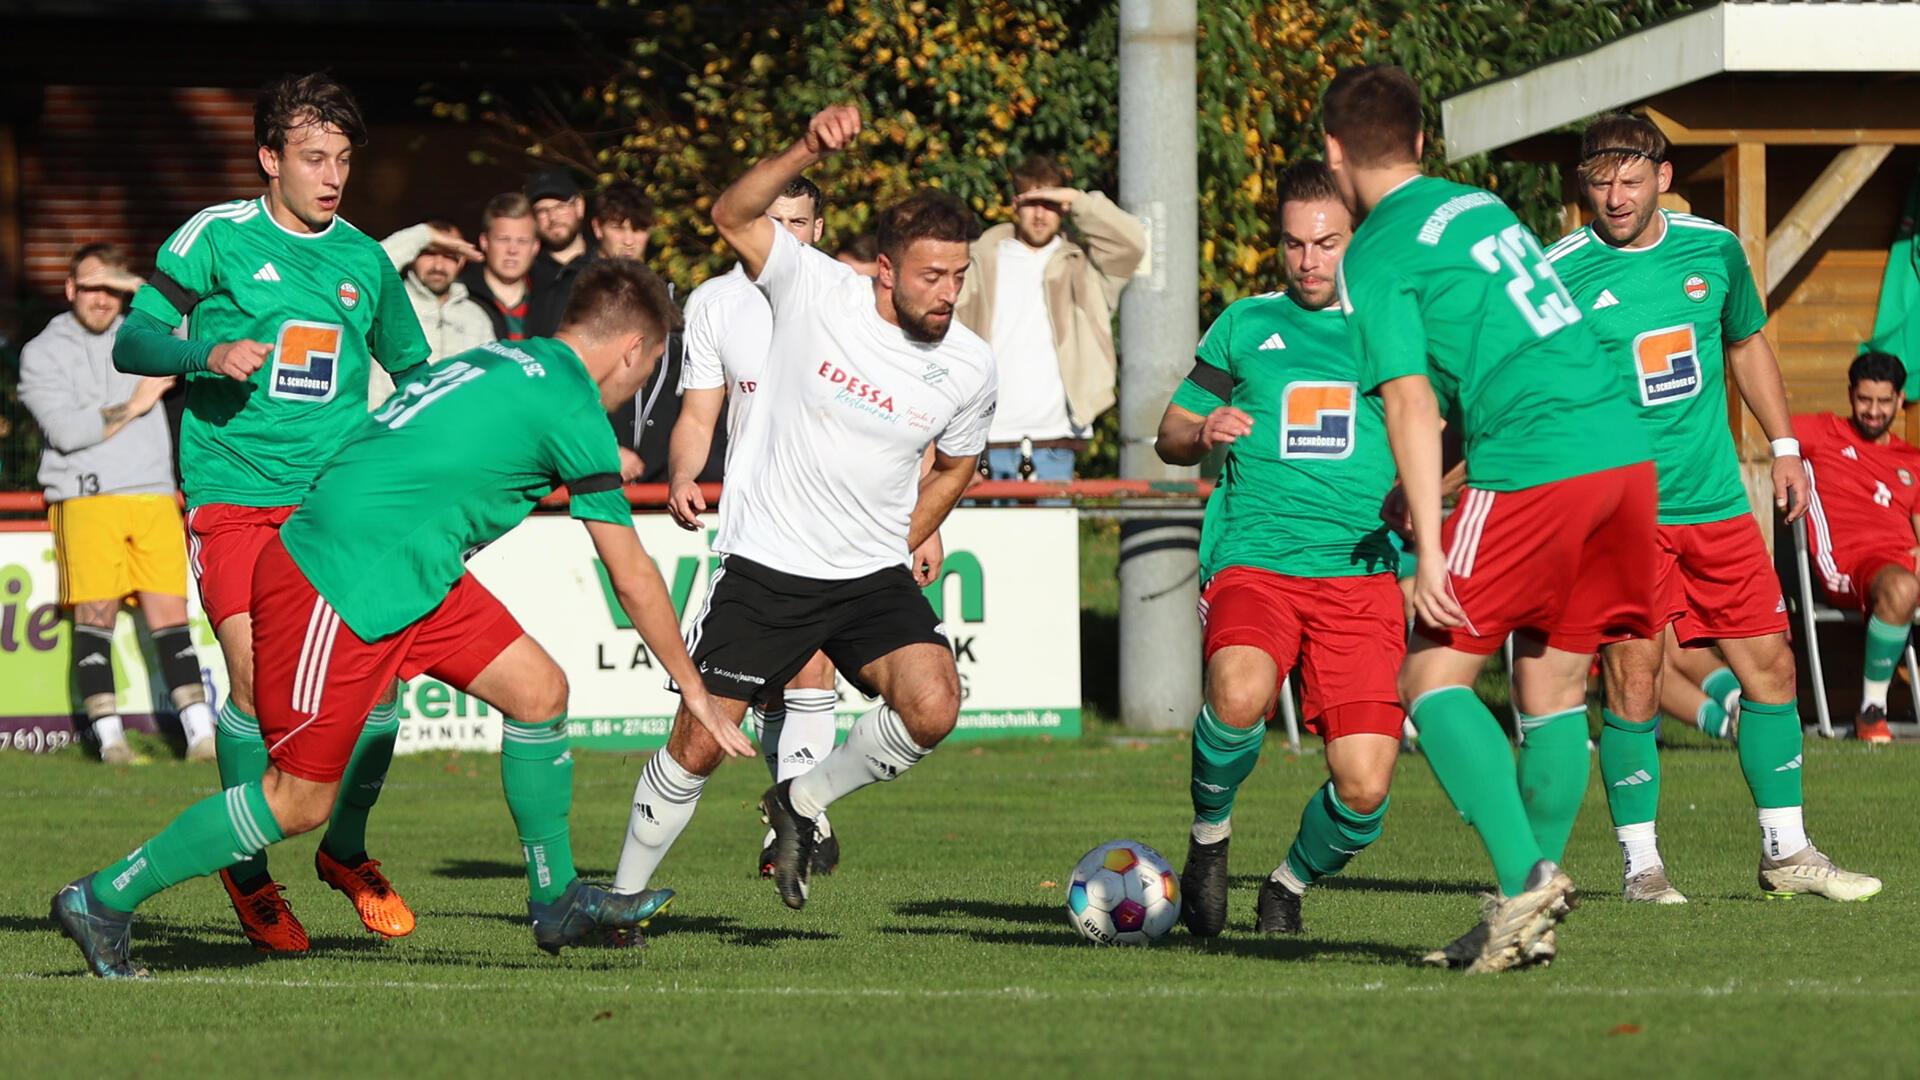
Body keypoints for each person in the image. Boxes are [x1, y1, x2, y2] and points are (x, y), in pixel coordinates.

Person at [52, 259, 741, 979]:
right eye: (653, 362)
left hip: (413, 568)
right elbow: (630, 574)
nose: (641, 380)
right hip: (341, 576)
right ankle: (103, 898)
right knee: (297, 802)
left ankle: (556, 897)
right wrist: (694, 690)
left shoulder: (506, 357)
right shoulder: (570, 401)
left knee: (539, 691)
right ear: (633, 348)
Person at [612, 104, 994, 914]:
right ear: (885, 269)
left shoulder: (969, 365)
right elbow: (730, 214)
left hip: (868, 577)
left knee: (934, 705)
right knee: (698, 742)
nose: (947, 293)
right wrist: (804, 148)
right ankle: (618, 899)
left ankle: (801, 800)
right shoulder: (815, 286)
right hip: (768, 565)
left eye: (960, 276)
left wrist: (905, 539)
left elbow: (958, 465)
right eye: (932, 276)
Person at [1325, 64, 1660, 972]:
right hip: (1623, 451)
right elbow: (1500, 355)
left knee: (1431, 675)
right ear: (1423, 145)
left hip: (1539, 462)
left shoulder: (1377, 248)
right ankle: (1529, 920)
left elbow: (1408, 403)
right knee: (1551, 689)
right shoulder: (1476, 209)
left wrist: (1430, 545)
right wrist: (1440, 479)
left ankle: (1523, 885)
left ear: (1333, 153)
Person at [110, 73, 431, 953]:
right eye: (313, 157)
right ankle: (250, 877)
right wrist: (204, 350)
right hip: (238, 498)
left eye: (342, 160)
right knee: (255, 683)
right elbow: (132, 341)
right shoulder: (212, 239)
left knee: (379, 696)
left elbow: (415, 376)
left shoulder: (365, 261)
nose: (332, 175)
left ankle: (348, 851)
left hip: (337, 507)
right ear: (269, 159)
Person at [1547, 113, 1880, 903]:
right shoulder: (1555, 272)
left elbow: (1745, 344)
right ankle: (1641, 865)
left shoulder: (1715, 249)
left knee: (1772, 668)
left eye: (1631, 180)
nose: (1616, 196)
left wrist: (1787, 445)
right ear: (1583, 184)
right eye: (1601, 181)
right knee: (1634, 677)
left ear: (1664, 177)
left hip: (1717, 505)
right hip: (1618, 515)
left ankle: (1787, 851)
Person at [1154, 161, 1405, 937]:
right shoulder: (1244, 325)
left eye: (1326, 243)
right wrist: (1201, 432)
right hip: (1257, 561)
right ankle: (1208, 842)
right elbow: (1168, 435)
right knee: (1238, 696)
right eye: (1294, 244)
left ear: (1354, 237)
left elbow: (1452, 434)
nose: (1309, 261)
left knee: (1363, 791)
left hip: (1362, 578)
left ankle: (1289, 882)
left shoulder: (1395, 326)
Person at [653, 176, 858, 879]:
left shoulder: (852, 299)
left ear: (820, 229)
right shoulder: (716, 304)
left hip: (840, 522)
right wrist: (683, 473)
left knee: (814, 660)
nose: (786, 236)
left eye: (799, 223)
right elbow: (698, 416)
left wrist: (922, 521)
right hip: (753, 527)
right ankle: (638, 868)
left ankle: (797, 823)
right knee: (719, 716)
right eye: (772, 221)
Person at [17, 244, 215, 766]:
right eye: (91, 287)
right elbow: (65, 431)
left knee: (171, 618)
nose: (102, 299)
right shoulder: (43, 350)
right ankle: (110, 742)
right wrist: (136, 404)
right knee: (96, 616)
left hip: (151, 493)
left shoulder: (143, 333)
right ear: (69, 290)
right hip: (87, 498)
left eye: (111, 289)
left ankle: (199, 736)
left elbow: (203, 334)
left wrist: (136, 286)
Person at [954, 153, 1145, 482]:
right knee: (974, 537)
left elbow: (1133, 243)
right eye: (1032, 202)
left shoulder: (1085, 267)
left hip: (1053, 443)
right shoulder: (975, 259)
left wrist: (1076, 199)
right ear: (1015, 203)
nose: (1041, 214)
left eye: (1051, 203)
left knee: (1049, 534)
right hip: (977, 443)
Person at [1798, 351, 1920, 743]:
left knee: (1906, 581)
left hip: (1905, 563)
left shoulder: (1912, 460)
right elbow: (1771, 434)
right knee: (1902, 587)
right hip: (1852, 565)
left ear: (1900, 400)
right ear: (1850, 395)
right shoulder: (1822, 432)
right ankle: (1872, 712)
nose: (1873, 411)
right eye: (1864, 400)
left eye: (1884, 401)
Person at [378, 219, 495, 383]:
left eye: (449, 255)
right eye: (430, 253)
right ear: (412, 255)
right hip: (392, 408)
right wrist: (424, 235)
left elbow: (489, 380)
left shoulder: (477, 318)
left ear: (461, 261)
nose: (438, 266)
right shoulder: (386, 302)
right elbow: (370, 267)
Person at [462, 193, 538, 341]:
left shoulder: (549, 300)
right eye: (503, 239)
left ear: (535, 247)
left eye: (522, 241)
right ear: (484, 242)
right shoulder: (460, 295)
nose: (512, 250)